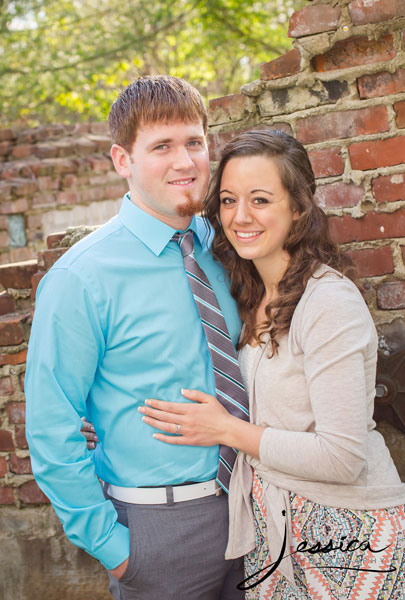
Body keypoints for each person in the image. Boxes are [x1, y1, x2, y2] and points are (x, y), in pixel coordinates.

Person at [139, 129, 405, 599]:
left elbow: (342, 457)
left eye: (260, 200)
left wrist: (226, 431)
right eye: (227, 200)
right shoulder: (250, 295)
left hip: (346, 533)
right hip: (273, 529)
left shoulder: (327, 304)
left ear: (298, 208)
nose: (240, 216)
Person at [25, 75, 245, 600]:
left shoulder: (231, 246)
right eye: (161, 147)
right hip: (157, 531)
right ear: (122, 160)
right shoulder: (82, 277)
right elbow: (52, 426)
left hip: (257, 506)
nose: (184, 161)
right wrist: (113, 548)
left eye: (194, 142)